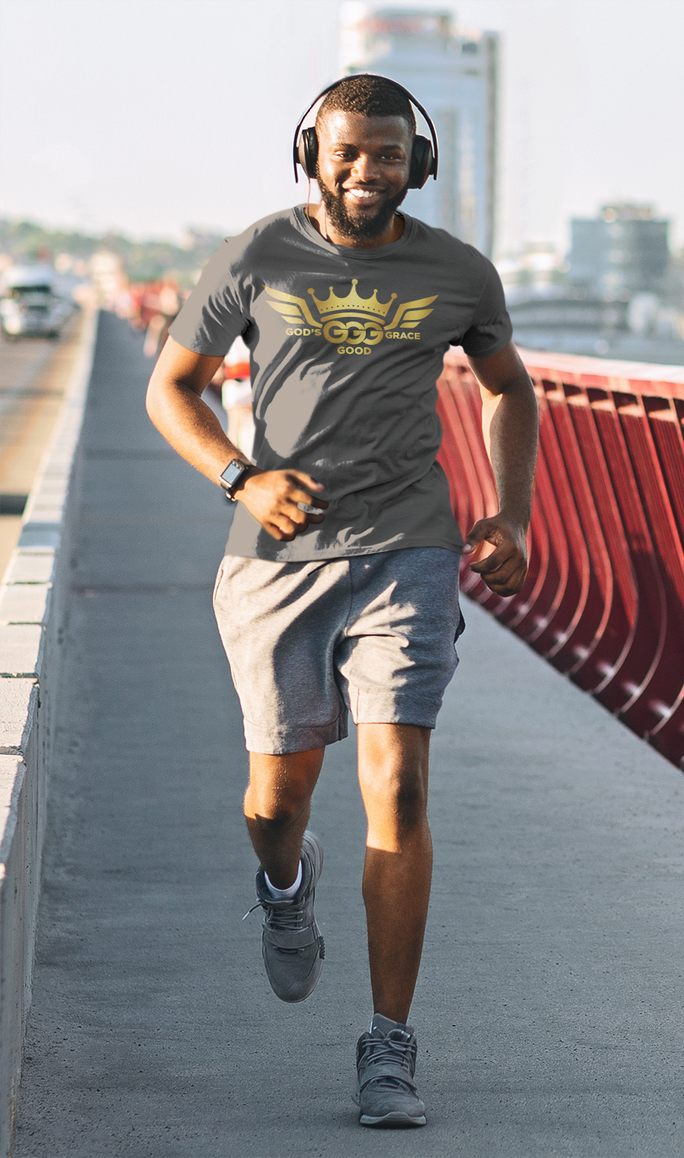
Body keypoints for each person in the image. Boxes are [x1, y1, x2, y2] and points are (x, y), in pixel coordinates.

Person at [145, 73, 537, 1129]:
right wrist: (242, 477)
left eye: (390, 155)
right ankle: (285, 888)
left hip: (410, 548)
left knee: (399, 784)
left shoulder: (457, 271)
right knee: (277, 802)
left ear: (421, 161)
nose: (369, 171)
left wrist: (512, 514)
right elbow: (170, 387)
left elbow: (508, 387)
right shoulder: (256, 255)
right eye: (349, 152)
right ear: (311, 152)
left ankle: (390, 1049)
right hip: (276, 564)